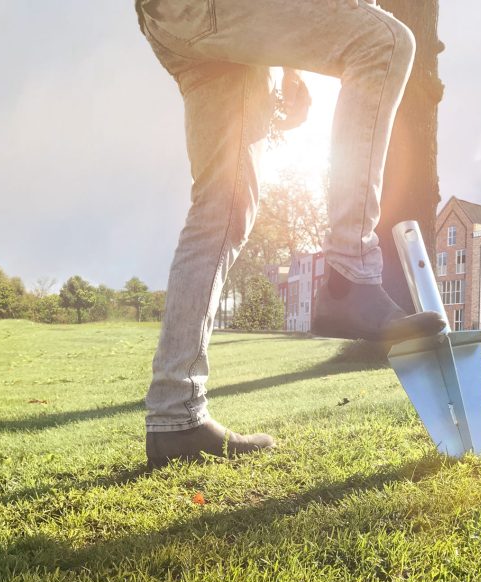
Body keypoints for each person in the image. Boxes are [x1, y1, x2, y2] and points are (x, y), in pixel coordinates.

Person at [135, 0, 445, 469]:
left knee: (222, 209)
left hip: (172, 21)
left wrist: (285, 69)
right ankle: (350, 274)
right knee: (383, 41)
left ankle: (175, 417)